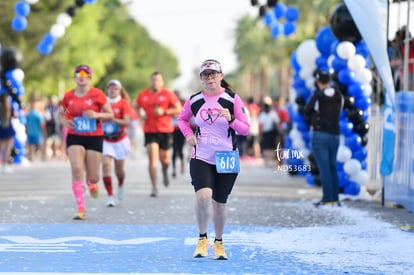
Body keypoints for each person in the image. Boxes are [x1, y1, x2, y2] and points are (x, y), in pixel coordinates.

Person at [177, 59, 250, 260]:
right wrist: (189, 135)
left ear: (221, 76)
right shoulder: (194, 100)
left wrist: (231, 120)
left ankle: (219, 242)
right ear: (201, 78)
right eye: (206, 75)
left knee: (219, 203)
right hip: (201, 155)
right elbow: (182, 119)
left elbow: (245, 129)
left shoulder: (232, 99)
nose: (210, 78)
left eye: (213, 74)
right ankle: (202, 238)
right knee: (203, 196)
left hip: (226, 156)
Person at [58, 65, 114, 220]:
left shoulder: (97, 94)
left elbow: (110, 115)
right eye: (78, 73)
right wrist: (65, 122)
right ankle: (80, 208)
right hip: (75, 135)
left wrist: (96, 114)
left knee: (94, 176)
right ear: (74, 78)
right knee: (76, 169)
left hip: (94, 137)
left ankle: (92, 183)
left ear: (90, 78)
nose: (81, 76)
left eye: (85, 74)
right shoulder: (68, 96)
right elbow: (61, 114)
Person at [135, 71, 182, 197]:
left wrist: (164, 112)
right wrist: (140, 114)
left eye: (158, 80)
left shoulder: (168, 94)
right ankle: (154, 186)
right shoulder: (143, 94)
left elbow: (179, 109)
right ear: (150, 81)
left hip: (165, 130)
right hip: (150, 131)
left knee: (165, 159)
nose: (155, 82)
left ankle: (165, 170)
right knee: (152, 159)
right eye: (153, 79)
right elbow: (135, 105)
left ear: (162, 82)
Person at [304, 70, 343, 207]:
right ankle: (335, 198)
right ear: (330, 81)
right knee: (333, 167)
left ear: (318, 82)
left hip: (320, 134)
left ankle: (327, 198)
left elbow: (307, 110)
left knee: (324, 168)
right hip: (335, 135)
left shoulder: (318, 95)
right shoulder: (338, 95)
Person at [102, 80, 131, 207]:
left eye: (115, 89)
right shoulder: (102, 103)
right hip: (106, 140)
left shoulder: (124, 103)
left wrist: (112, 119)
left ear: (120, 91)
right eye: (110, 88)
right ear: (107, 90)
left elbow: (126, 122)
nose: (113, 90)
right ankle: (110, 196)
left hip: (120, 140)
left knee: (119, 170)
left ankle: (120, 183)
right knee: (106, 166)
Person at [258, 96, 280, 167]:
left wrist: (260, 135)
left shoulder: (263, 114)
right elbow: (277, 123)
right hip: (271, 133)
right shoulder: (273, 114)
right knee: (271, 147)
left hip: (268, 133)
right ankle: (270, 161)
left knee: (267, 147)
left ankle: (268, 161)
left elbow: (261, 126)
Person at [171, 90, 186, 178]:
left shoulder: (183, 102)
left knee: (180, 149)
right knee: (174, 149)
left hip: (181, 130)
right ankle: (173, 168)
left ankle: (182, 164)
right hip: (172, 130)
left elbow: (187, 114)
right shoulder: (170, 104)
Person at [0, 93, 15, 173]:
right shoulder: (9, 107)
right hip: (8, 129)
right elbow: (14, 115)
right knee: (7, 148)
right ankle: (5, 165)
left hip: (1, 128)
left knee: (0, 148)